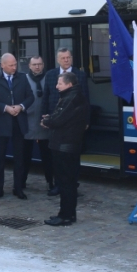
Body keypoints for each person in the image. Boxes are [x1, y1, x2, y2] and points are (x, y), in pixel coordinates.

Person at [41, 72, 90, 226]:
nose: (56, 86)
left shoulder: (72, 98)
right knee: (67, 182)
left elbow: (59, 119)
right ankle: (67, 214)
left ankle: (66, 216)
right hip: (67, 145)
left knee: (66, 183)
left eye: (60, 83)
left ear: (69, 84)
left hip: (65, 147)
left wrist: (48, 121)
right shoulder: (73, 96)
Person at [0, 53, 35, 200]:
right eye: (11, 65)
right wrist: (5, 108)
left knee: (19, 158)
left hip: (18, 122)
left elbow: (30, 97)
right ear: (3, 65)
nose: (14, 67)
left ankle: (18, 188)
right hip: (2, 122)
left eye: (15, 64)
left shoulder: (22, 77)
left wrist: (21, 106)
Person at [41, 47, 89, 196]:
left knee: (72, 156)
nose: (66, 60)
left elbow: (86, 99)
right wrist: (44, 116)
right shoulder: (50, 75)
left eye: (68, 57)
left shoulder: (79, 75)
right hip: (55, 122)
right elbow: (46, 96)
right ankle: (57, 184)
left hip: (73, 125)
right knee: (56, 156)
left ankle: (72, 184)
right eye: (63, 58)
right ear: (58, 60)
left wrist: (86, 120)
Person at [21, 56, 52, 193]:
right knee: (24, 156)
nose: (37, 67)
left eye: (39, 64)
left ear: (43, 64)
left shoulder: (49, 79)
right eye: (34, 64)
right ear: (29, 65)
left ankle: (50, 182)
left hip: (44, 123)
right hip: (27, 123)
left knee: (47, 157)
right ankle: (21, 182)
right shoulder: (23, 80)